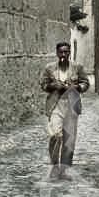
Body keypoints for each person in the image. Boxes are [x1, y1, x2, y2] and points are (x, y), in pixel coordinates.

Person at [40, 42, 90, 181]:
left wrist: (77, 87)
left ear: (70, 53)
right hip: (55, 104)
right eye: (61, 52)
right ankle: (54, 166)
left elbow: (86, 83)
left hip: (72, 105)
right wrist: (53, 85)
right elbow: (43, 85)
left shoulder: (77, 67)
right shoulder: (49, 68)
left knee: (69, 139)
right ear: (57, 53)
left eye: (66, 52)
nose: (63, 55)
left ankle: (64, 170)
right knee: (55, 135)